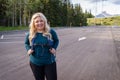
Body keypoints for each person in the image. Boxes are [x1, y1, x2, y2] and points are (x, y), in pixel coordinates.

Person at [25, 12, 59, 80]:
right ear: (34, 23)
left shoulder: (51, 31)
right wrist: (28, 49)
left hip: (49, 62)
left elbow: (56, 40)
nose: (39, 23)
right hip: (35, 62)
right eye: (37, 21)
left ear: (44, 21)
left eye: (41, 21)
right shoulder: (31, 33)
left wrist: (54, 48)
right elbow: (26, 43)